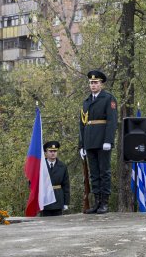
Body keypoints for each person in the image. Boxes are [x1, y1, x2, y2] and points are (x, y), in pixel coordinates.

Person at [79, 69, 118, 214]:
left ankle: (104, 203)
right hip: (89, 141)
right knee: (94, 173)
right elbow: (82, 124)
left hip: (102, 140)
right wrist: (81, 145)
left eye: (95, 82)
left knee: (104, 172)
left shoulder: (108, 98)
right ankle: (96, 202)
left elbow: (112, 121)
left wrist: (108, 140)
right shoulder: (86, 101)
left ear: (101, 84)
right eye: (91, 83)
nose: (93, 85)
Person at [42, 141, 70, 216]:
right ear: (46, 152)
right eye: (50, 151)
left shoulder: (62, 166)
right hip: (45, 200)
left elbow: (66, 185)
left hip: (58, 200)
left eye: (55, 151)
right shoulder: (40, 166)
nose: (53, 153)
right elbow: (33, 183)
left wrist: (66, 202)